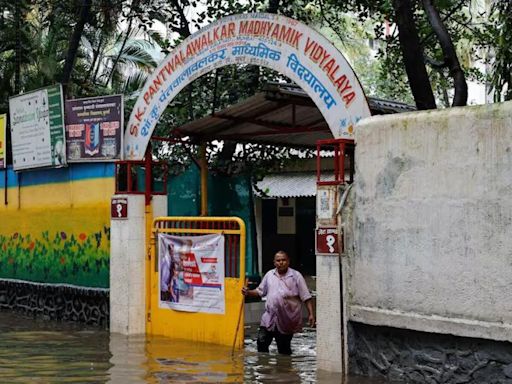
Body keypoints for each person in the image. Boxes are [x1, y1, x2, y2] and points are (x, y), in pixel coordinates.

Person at [242, 250, 315, 355]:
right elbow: (260, 291)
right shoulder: (269, 275)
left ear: (288, 261)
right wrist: (248, 292)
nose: (281, 262)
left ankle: (284, 369)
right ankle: (264, 368)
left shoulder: (296, 276)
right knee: (261, 343)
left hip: (287, 319)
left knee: (284, 349)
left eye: (283, 260)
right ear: (274, 262)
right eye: (278, 260)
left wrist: (311, 314)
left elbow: (306, 297)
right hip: (269, 317)